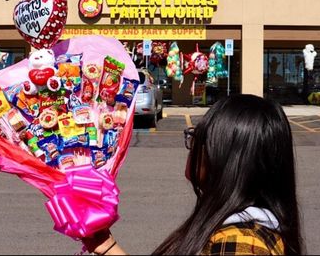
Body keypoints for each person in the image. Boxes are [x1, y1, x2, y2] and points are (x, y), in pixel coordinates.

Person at [84, 94, 303, 255]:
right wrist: (108, 247)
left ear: (228, 157)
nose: (193, 144)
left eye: (200, 137)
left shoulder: (240, 243)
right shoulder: (241, 227)